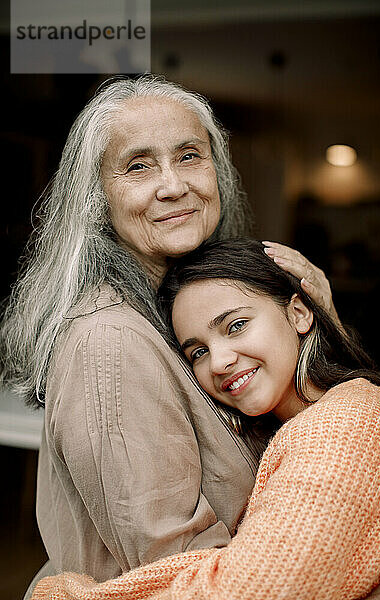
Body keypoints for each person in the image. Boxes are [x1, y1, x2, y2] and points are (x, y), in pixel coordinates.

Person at [0, 75, 340, 598]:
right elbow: (180, 573)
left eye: (189, 156)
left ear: (218, 175)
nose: (173, 185)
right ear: (96, 198)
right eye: (138, 165)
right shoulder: (108, 342)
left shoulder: (187, 317)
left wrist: (325, 325)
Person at [32, 239, 380, 600]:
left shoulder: (343, 426)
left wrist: (66, 593)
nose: (219, 362)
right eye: (198, 352)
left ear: (300, 313)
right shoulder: (316, 417)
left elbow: (251, 592)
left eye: (236, 325)